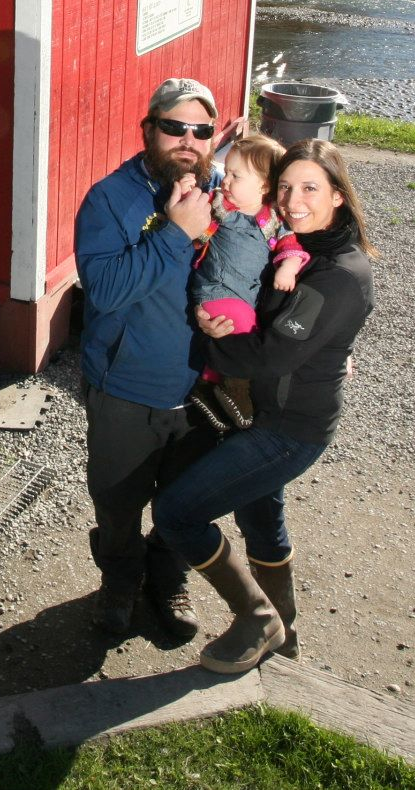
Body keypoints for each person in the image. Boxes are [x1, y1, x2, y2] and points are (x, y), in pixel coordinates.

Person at [153, 139, 379, 673]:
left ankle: (258, 618)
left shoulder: (341, 272)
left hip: (288, 430)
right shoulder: (306, 244)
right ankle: (286, 636)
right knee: (261, 520)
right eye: (285, 187)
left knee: (177, 513)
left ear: (340, 197)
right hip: (263, 415)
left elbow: (273, 354)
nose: (292, 200)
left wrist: (207, 340)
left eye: (310, 188)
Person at [72, 77, 223, 641]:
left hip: (202, 389)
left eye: (201, 130)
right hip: (126, 390)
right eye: (174, 127)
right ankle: (119, 582)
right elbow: (105, 290)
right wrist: (176, 234)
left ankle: (168, 578)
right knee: (117, 504)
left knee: (185, 505)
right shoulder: (111, 198)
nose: (188, 139)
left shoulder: (225, 198)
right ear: (149, 131)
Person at [187, 133, 306, 430]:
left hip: (246, 294)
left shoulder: (272, 219)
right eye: (225, 172)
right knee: (241, 328)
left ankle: (209, 384)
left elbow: (290, 246)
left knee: (241, 326)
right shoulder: (220, 206)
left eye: (235, 175)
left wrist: (288, 268)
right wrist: (190, 201)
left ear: (264, 185)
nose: (225, 180)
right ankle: (237, 388)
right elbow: (197, 227)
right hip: (216, 287)